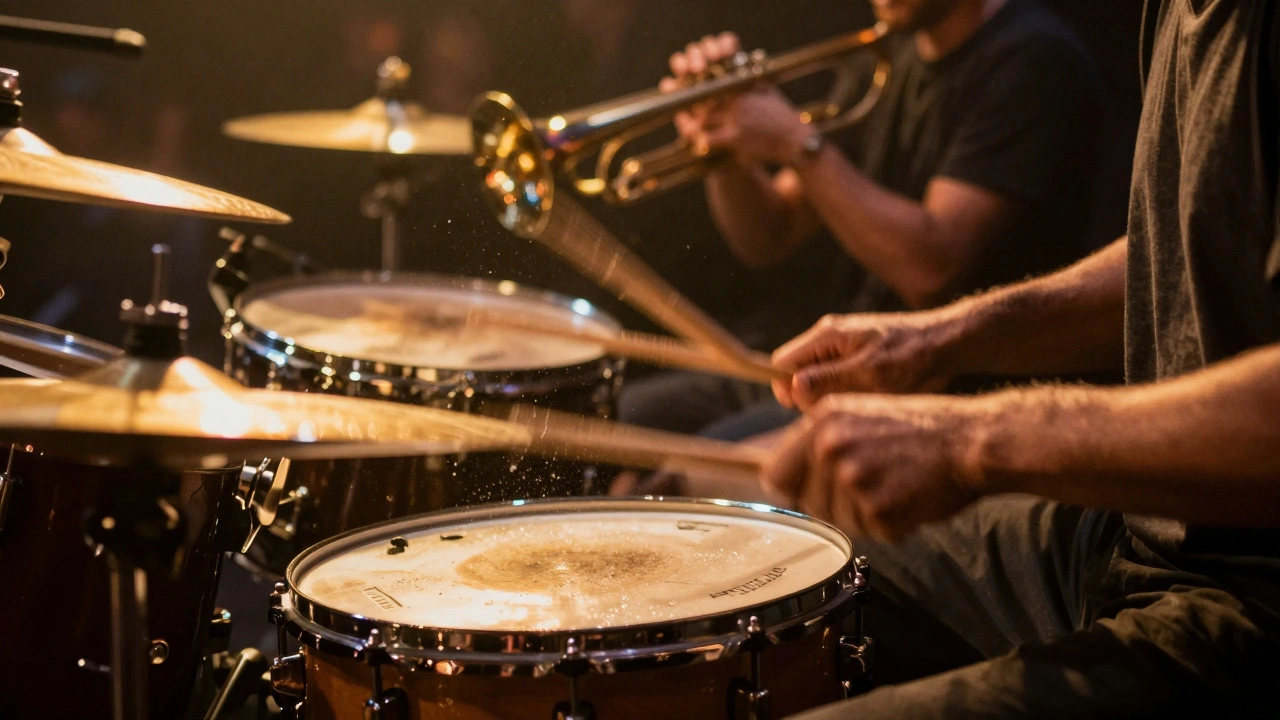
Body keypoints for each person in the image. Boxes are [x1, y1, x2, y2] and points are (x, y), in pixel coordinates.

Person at [752, 0, 1280, 716]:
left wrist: (968, 441)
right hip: (1140, 528)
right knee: (764, 538)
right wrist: (935, 338)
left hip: (1252, 589)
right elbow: (1186, 251)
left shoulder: (1038, 54)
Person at [617, 0, 1104, 437]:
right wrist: (724, 147)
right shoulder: (888, 56)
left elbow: (931, 270)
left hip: (947, 396)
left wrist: (795, 142)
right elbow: (770, 234)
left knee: (696, 463)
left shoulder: (1034, 60)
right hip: (847, 364)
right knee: (622, 415)